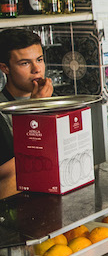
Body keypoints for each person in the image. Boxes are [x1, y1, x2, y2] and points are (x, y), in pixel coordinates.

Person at [0, 28, 54, 198]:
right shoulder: (2, 113)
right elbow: (11, 171)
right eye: (25, 63)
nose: (36, 69)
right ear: (5, 68)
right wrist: (35, 108)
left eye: (39, 60)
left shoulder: (54, 101)